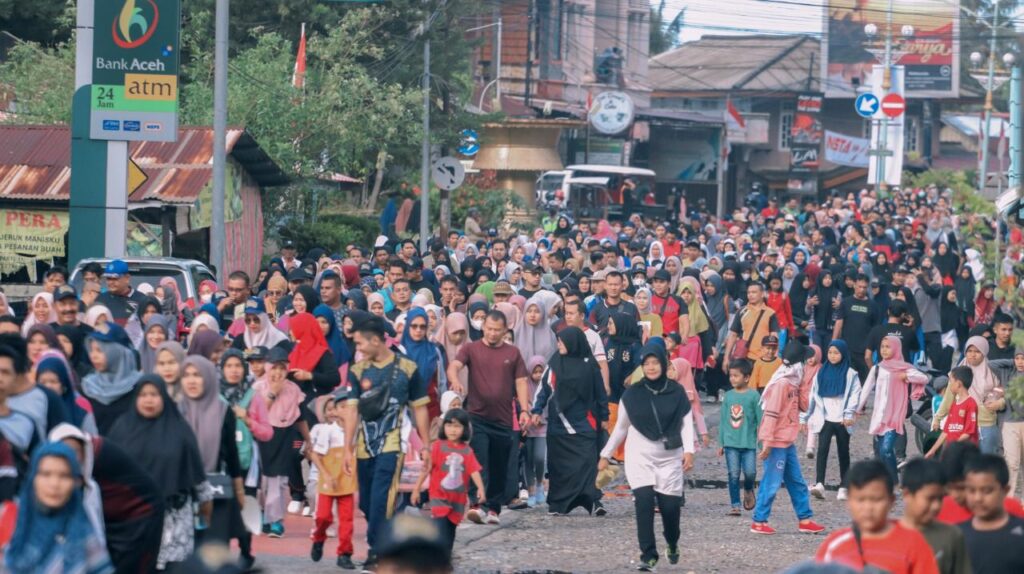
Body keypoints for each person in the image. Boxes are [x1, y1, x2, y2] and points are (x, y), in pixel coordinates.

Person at [342, 312, 431, 571]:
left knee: (383, 497)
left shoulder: (408, 369)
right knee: (367, 502)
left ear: (376, 341)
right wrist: (348, 447)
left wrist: (426, 444)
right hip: (363, 444)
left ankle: (376, 551)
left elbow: (420, 408)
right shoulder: (357, 371)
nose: (357, 349)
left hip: (393, 443)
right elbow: (351, 410)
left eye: (359, 343)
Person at [598, 342, 695, 571]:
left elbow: (685, 422)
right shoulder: (632, 395)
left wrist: (689, 450)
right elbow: (621, 428)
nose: (651, 368)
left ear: (663, 363)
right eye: (646, 363)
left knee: (670, 510)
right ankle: (648, 555)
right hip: (639, 455)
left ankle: (672, 542)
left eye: (655, 363)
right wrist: (606, 454)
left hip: (670, 456)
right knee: (643, 502)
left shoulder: (677, 392)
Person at [107, 375, 209, 571]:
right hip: (133, 518)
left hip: (174, 519)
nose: (148, 400)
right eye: (143, 395)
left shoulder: (179, 429)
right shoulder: (121, 428)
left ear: (164, 397)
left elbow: (196, 472)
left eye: (154, 394)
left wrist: (206, 504)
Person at [445, 311, 530, 525]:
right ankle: (477, 504)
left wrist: (524, 410)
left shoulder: (513, 353)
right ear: (483, 327)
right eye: (489, 329)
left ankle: (493, 508)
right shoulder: (471, 349)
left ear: (504, 331)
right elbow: (454, 366)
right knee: (479, 461)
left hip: (503, 419)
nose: (492, 333)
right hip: (477, 416)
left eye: (497, 330)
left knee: (499, 464)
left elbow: (521, 382)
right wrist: (455, 380)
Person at [178, 355, 250, 569]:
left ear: (209, 378)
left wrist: (239, 491)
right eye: (187, 375)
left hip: (217, 492)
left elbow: (231, 454)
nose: (191, 381)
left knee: (215, 555)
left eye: (197, 375)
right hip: (182, 493)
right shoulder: (174, 410)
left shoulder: (222, 410)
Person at [530, 327, 608, 516]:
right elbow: (544, 390)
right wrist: (536, 410)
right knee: (559, 468)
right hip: (559, 426)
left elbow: (600, 392)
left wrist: (604, 417)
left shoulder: (590, 364)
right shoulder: (555, 363)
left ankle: (593, 501)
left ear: (573, 342)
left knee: (588, 465)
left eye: (561, 341)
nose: (558, 345)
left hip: (585, 424)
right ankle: (558, 503)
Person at [3, 442, 114, 574]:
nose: (54, 484)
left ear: (75, 482)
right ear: (32, 478)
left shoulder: (84, 538)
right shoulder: (6, 519)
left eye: (64, 476)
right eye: (46, 474)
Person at [750, 340, 825, 536]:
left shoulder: (793, 382)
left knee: (797, 481)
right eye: (803, 361)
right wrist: (766, 442)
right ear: (797, 363)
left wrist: (805, 386)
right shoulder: (782, 384)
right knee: (771, 482)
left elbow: (803, 405)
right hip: (775, 441)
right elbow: (771, 414)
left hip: (787, 439)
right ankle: (759, 520)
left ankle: (805, 519)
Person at [814, 459, 939, 574]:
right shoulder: (835, 545)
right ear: (849, 501)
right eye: (860, 500)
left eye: (876, 500)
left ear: (892, 501)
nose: (868, 508)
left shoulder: (914, 543)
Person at [254, 347, 311, 538]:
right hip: (263, 436)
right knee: (263, 481)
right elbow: (257, 414)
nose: (278, 372)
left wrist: (309, 440)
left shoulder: (294, 390)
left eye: (282, 368)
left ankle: (276, 520)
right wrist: (273, 392)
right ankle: (264, 514)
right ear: (267, 367)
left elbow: (300, 417)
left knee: (278, 481)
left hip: (285, 435)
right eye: (274, 367)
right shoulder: (258, 387)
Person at [411, 407, 485, 554]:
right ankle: (437, 556)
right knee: (440, 526)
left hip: (458, 500)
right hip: (439, 496)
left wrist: (480, 488)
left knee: (450, 529)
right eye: (449, 425)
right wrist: (416, 488)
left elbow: (474, 470)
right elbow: (427, 469)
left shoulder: (467, 451)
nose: (452, 430)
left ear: (465, 429)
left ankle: (446, 556)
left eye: (457, 426)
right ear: (443, 427)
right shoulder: (438, 447)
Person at [856, 336, 928, 483]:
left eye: (888, 347)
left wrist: (906, 376)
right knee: (880, 452)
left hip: (895, 415)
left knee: (886, 450)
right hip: (879, 416)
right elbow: (866, 389)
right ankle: (887, 480)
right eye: (882, 347)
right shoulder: (877, 369)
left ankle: (893, 480)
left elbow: (923, 378)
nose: (884, 350)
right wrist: (857, 409)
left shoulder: (905, 368)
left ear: (896, 348)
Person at [803, 340, 861, 502]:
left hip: (842, 419)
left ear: (843, 353)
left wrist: (849, 414)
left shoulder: (850, 374)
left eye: (836, 352)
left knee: (844, 452)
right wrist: (805, 417)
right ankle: (820, 483)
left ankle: (844, 485)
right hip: (825, 418)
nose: (833, 356)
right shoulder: (821, 372)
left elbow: (855, 395)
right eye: (830, 352)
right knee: (822, 451)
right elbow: (813, 395)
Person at [898, 458, 971, 574]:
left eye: (940, 498)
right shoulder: (886, 536)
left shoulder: (952, 536)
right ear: (907, 494)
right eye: (930, 498)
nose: (936, 506)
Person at [308, 395, 357, 570]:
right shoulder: (328, 431)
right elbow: (316, 454)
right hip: (328, 482)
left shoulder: (356, 431)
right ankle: (319, 538)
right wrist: (326, 475)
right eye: (341, 407)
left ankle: (344, 554)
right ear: (335, 411)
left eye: (349, 407)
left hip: (347, 482)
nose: (346, 411)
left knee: (346, 520)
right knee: (323, 516)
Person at [933, 336, 1002, 454]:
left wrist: (996, 401)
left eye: (977, 351)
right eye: (969, 351)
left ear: (984, 352)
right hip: (962, 426)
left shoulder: (994, 371)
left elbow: (1001, 392)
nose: (972, 355)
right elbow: (948, 399)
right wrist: (937, 418)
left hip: (986, 424)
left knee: (986, 463)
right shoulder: (957, 373)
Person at [960, 454, 1024, 573]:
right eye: (971, 490)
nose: (978, 498)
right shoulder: (957, 536)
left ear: (1005, 491)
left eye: (987, 491)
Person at [718, 358, 761, 515]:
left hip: (749, 443)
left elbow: (760, 420)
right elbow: (723, 420)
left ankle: (749, 489)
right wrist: (721, 442)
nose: (732, 379)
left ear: (747, 377)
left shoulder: (754, 396)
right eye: (731, 376)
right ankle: (735, 505)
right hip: (731, 443)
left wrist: (762, 443)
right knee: (733, 474)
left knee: (750, 472)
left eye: (736, 376)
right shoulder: (728, 396)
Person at [81, 327, 143, 434]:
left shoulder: (140, 386)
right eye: (91, 350)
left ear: (116, 352)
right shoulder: (88, 387)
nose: (93, 356)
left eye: (100, 350)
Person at [832, 274, 879, 382]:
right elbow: (839, 322)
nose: (862, 290)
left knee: (863, 382)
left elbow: (875, 327)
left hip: (864, 350)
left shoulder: (873, 305)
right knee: (847, 380)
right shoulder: (846, 302)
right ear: (854, 285)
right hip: (848, 348)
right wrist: (834, 341)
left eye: (864, 287)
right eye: (859, 286)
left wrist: (872, 347)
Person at [925, 366, 978, 458]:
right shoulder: (954, 405)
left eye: (950, 381)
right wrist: (932, 450)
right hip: (953, 452)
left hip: (965, 453)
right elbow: (946, 431)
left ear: (958, 384)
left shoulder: (971, 403)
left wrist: (953, 447)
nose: (949, 384)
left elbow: (968, 433)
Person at [95, 260, 148, 326]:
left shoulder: (141, 299)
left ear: (127, 278)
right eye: (108, 278)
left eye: (115, 278)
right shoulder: (101, 299)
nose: (111, 282)